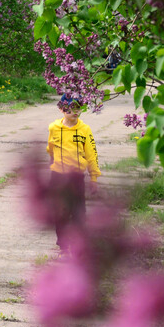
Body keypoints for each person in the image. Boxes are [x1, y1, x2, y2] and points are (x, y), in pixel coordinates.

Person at [46, 94, 101, 250]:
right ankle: (63, 246)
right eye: (71, 108)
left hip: (76, 177)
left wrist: (94, 178)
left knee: (78, 213)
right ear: (62, 109)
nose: (75, 111)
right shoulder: (54, 128)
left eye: (78, 107)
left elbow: (91, 154)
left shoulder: (85, 129)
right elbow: (50, 148)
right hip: (58, 176)